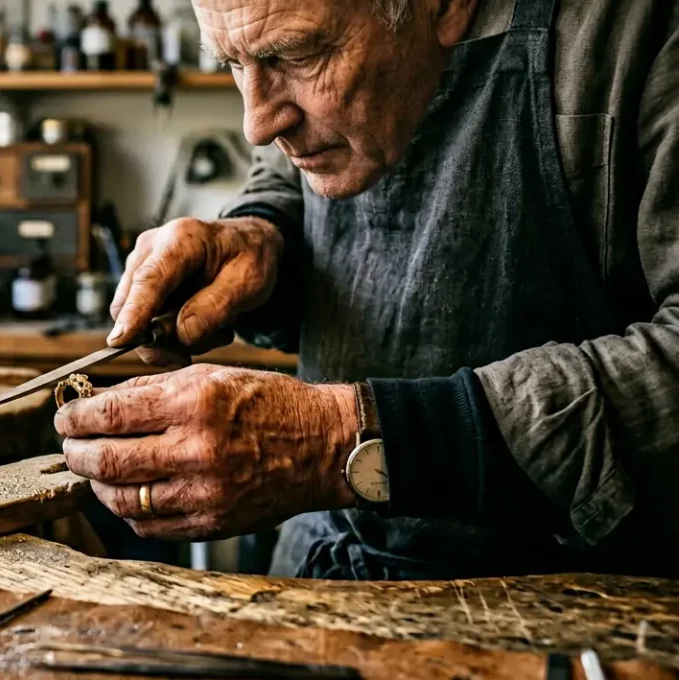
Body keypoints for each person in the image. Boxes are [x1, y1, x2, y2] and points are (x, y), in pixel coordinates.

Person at [54, 0, 679, 580]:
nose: (256, 124)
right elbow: (281, 181)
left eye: (296, 55)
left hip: (564, 595)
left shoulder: (638, 32)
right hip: (325, 563)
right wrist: (261, 238)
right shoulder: (290, 91)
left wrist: (344, 444)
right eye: (233, 63)